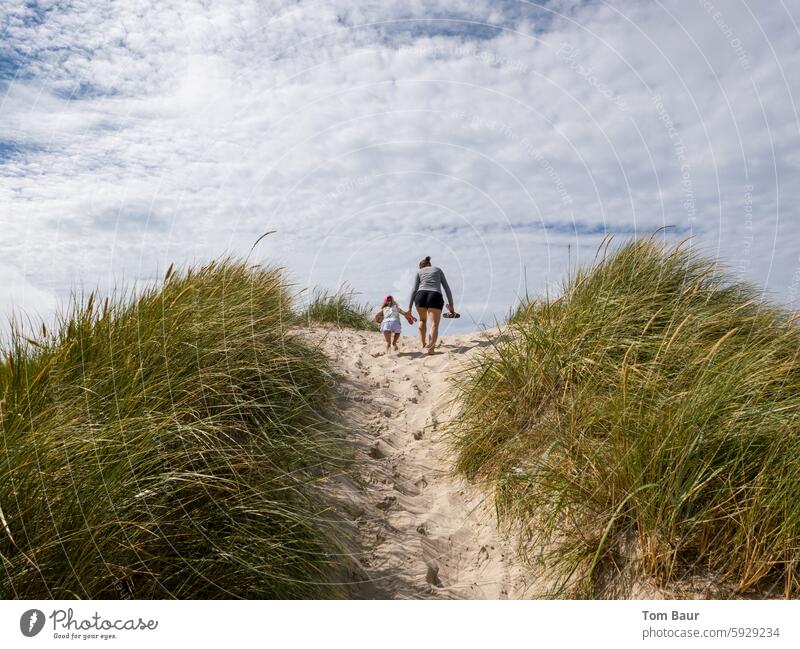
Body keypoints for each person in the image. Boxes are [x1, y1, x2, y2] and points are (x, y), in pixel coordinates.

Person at [408, 256, 455, 355]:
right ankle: (431, 349)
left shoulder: (419, 272)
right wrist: (451, 306)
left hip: (420, 296)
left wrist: (409, 308)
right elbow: (447, 288)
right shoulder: (438, 270)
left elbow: (414, 290)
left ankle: (422, 344)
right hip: (435, 295)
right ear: (429, 264)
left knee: (422, 320)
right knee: (434, 324)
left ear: (421, 267)